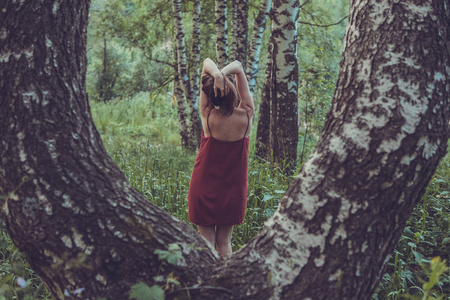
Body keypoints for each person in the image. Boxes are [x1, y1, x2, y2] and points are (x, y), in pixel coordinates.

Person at [188, 58, 254, 257]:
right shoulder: (246, 116)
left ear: (212, 96)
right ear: (232, 92)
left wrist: (216, 75)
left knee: (206, 242)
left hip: (203, 186)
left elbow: (206, 62)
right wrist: (224, 75)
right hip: (233, 189)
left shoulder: (207, 115)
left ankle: (206, 281)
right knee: (224, 242)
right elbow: (239, 66)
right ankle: (225, 281)